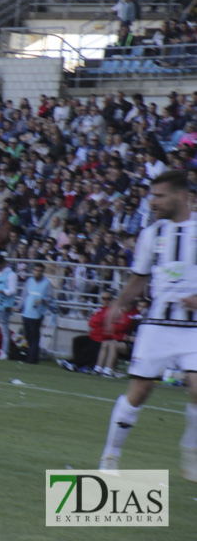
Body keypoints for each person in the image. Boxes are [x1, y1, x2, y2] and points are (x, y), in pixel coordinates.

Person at [99, 170, 197, 482]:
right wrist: (119, 302)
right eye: (151, 195)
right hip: (157, 324)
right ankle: (111, 454)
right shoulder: (152, 234)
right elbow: (140, 277)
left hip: (194, 327)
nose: (152, 202)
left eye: (159, 195)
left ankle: (191, 449)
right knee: (139, 391)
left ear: (180, 196)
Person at [18, 262, 53, 364]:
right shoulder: (29, 281)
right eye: (36, 271)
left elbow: (50, 298)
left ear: (42, 272)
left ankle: (32, 358)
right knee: (28, 336)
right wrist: (18, 306)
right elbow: (24, 295)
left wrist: (42, 300)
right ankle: (31, 355)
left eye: (40, 271)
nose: (38, 273)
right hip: (27, 312)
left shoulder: (47, 283)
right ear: (33, 271)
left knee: (34, 336)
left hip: (37, 313)